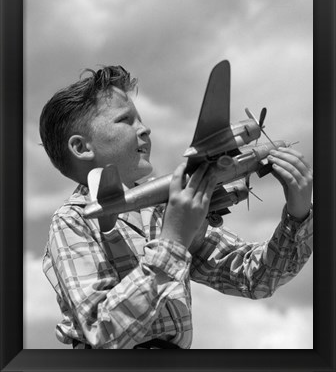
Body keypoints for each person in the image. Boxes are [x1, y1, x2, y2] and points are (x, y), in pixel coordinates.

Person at [40, 65, 313, 349]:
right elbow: (102, 331)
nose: (144, 128)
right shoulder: (72, 220)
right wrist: (174, 240)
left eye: (141, 119)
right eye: (125, 120)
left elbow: (255, 277)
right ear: (82, 147)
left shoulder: (162, 210)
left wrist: (298, 214)